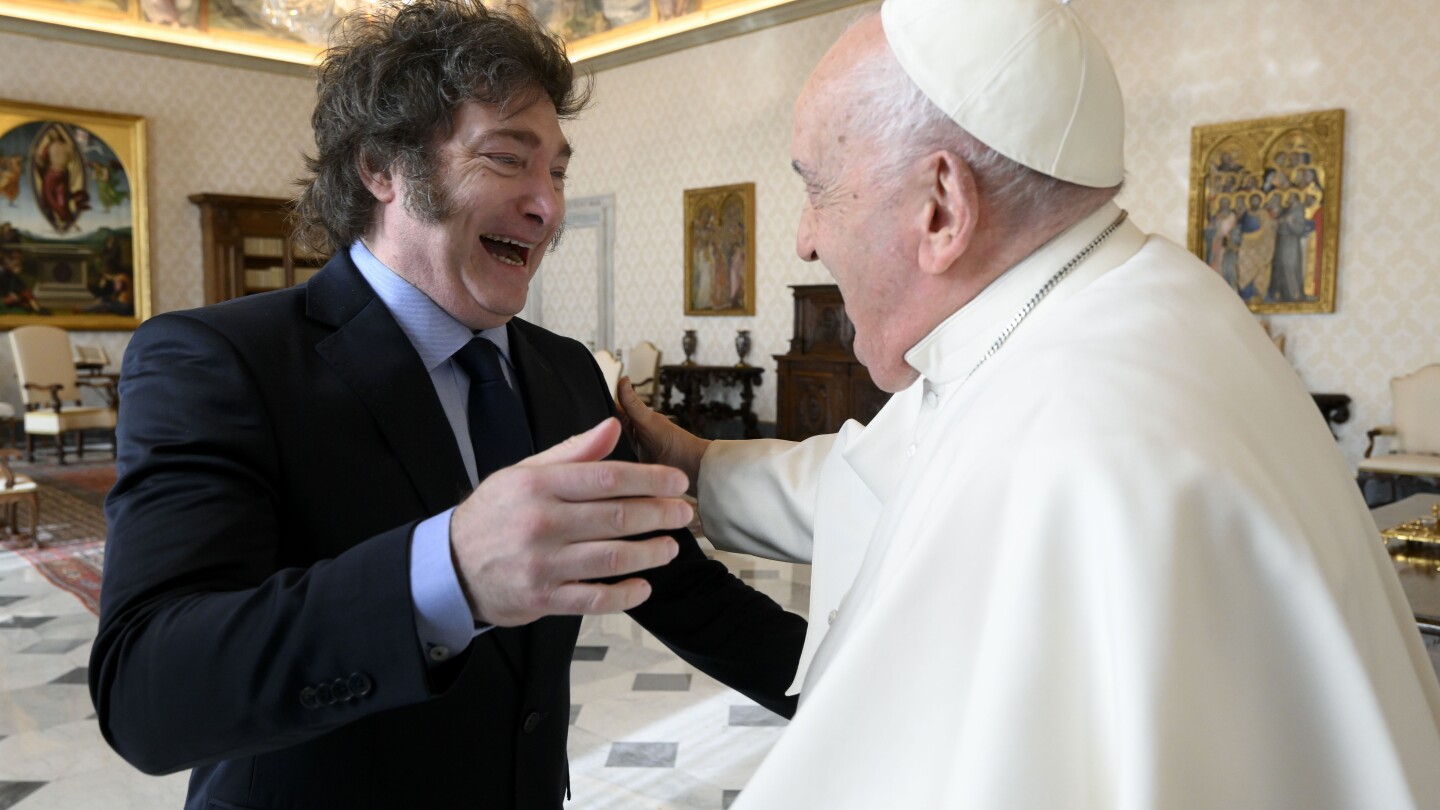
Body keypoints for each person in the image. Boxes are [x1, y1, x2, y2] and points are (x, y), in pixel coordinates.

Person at [618, 0, 1440, 806]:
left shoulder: (1069, 434)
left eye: (818, 189)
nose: (804, 238)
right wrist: (688, 463)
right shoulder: (1125, 302)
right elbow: (890, 475)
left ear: (940, 205)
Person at [89, 3, 805, 808]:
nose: (549, 207)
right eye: (507, 159)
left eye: (559, 172)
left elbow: (686, 593)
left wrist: (880, 694)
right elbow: (148, 692)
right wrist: (450, 574)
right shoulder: (217, 362)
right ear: (382, 168)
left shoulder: (570, 375)